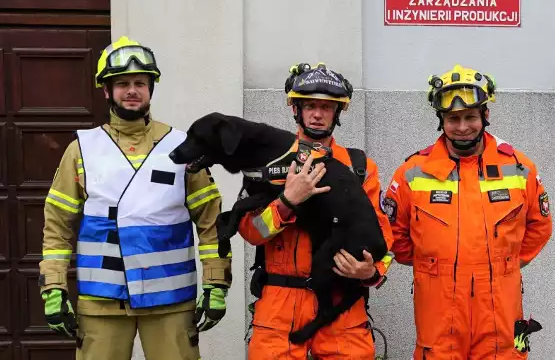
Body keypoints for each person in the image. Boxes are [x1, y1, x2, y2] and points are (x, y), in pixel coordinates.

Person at [38, 36, 232, 360]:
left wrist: (216, 283)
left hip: (171, 303)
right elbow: (58, 226)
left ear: (151, 88)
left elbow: (212, 221)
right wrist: (53, 286)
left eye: (140, 83)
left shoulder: (184, 147)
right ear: (106, 90)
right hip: (102, 303)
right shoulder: (81, 150)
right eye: (123, 83)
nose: (132, 90)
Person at [383, 64, 552, 360]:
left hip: (501, 307)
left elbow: (539, 226)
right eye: (453, 118)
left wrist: (504, 263)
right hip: (438, 308)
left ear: (485, 116)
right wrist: (433, 265)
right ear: (441, 120)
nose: (462, 127)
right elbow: (394, 234)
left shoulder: (519, 167)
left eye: (470, 117)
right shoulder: (412, 172)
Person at [238, 63, 394, 359]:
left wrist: (372, 272)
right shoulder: (269, 162)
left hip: (342, 308)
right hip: (279, 310)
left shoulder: (359, 168)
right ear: (295, 109)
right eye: (310, 105)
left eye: (327, 107)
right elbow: (250, 232)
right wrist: (287, 202)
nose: (318, 114)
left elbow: (384, 238)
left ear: (338, 112)